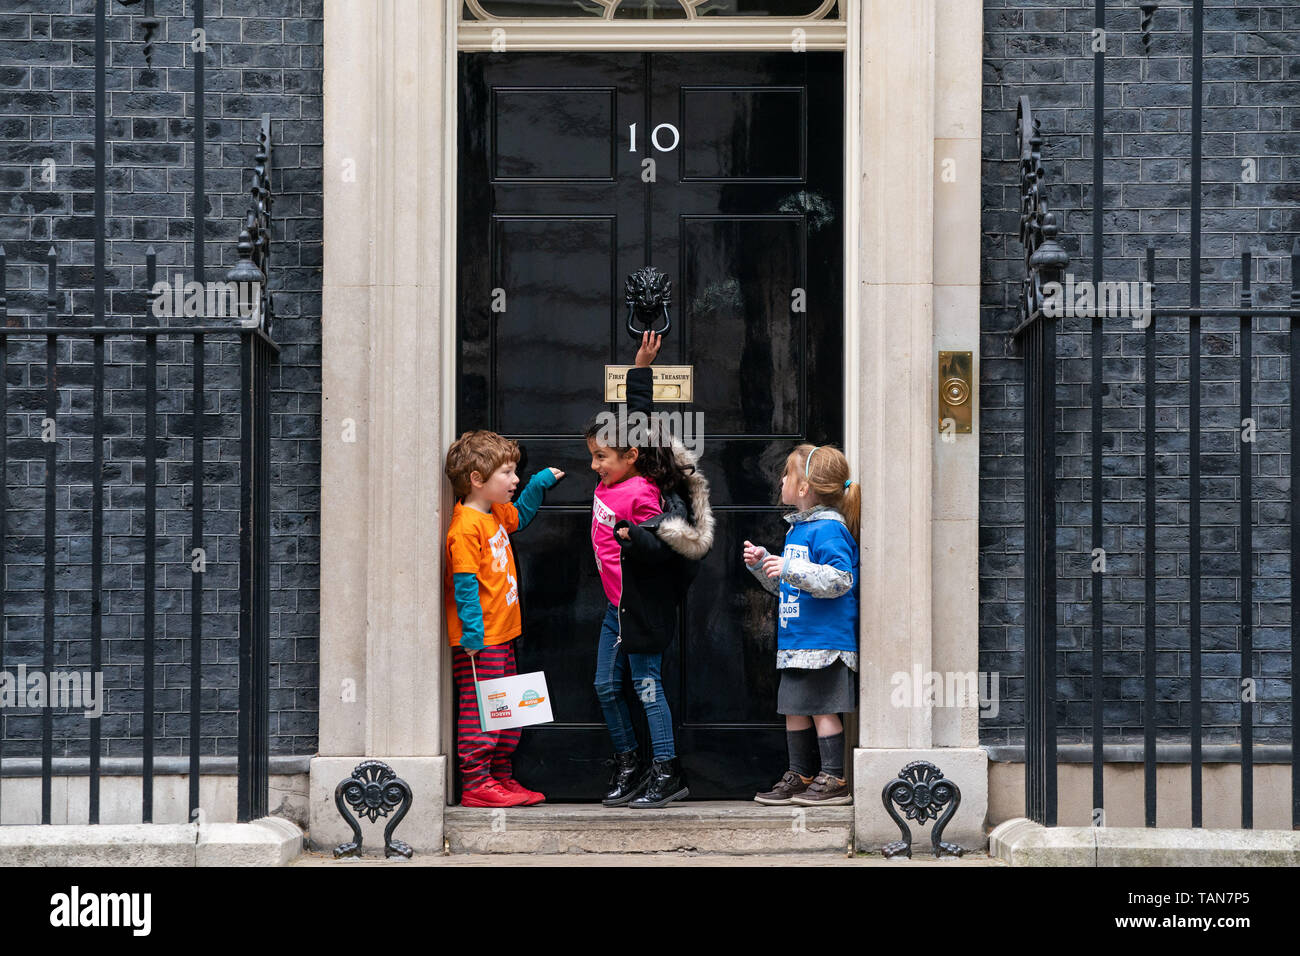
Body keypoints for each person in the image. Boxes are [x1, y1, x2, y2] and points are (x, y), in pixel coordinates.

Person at [585, 331, 714, 809]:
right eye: (593, 456)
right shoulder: (622, 469)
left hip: (642, 610)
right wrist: (641, 367)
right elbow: (639, 418)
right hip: (613, 609)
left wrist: (631, 537)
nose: (594, 465)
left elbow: (666, 545)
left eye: (602, 457)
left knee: (646, 687)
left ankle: (667, 770)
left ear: (632, 455)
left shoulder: (647, 488)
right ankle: (629, 764)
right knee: (605, 684)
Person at [443, 429, 564, 808]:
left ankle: (501, 777)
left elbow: (521, 516)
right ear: (477, 480)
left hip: (505, 634)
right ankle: (477, 782)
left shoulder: (493, 511)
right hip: (483, 640)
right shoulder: (464, 528)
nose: (515, 480)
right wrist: (474, 636)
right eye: (508, 473)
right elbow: (464, 585)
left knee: (506, 709)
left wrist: (538, 483)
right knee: (482, 709)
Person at [743, 443, 860, 806]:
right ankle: (801, 774)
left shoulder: (828, 529)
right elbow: (790, 586)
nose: (781, 480)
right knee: (794, 709)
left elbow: (841, 579)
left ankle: (834, 778)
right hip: (796, 640)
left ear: (805, 488)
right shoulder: (798, 530)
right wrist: (764, 565)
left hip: (825, 642)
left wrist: (789, 567)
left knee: (824, 710)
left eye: (786, 475)